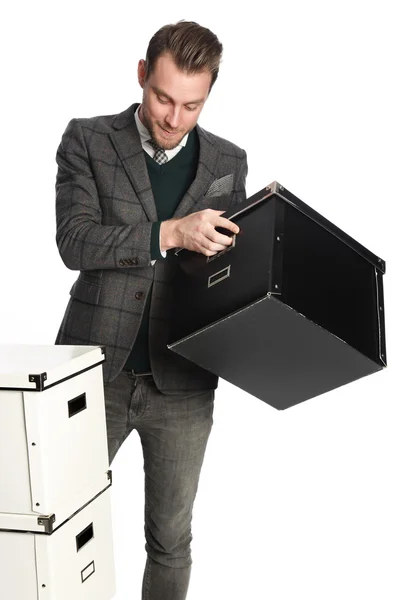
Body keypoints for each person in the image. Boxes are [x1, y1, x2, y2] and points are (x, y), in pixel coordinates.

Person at [54, 19, 248, 600]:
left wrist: (262, 235)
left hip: (184, 381)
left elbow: (223, 271)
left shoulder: (228, 159)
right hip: (93, 372)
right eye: (163, 97)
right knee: (59, 521)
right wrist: (169, 233)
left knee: (170, 538)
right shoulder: (88, 139)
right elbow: (76, 241)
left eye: (192, 105)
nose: (173, 117)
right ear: (142, 75)